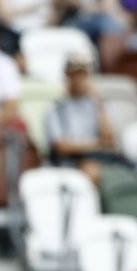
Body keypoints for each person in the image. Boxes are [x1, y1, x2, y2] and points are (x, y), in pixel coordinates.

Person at [44, 52, 116, 185]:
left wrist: (97, 101)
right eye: (75, 74)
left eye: (83, 74)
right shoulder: (56, 109)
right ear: (67, 76)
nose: (79, 79)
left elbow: (109, 139)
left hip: (100, 159)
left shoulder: (99, 105)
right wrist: (97, 144)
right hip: (71, 162)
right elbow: (61, 147)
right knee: (92, 171)